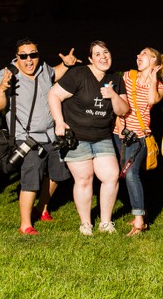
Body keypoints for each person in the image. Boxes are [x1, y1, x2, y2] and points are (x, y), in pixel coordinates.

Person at [0, 39, 79, 235]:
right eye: (23, 56)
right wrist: (2, 88)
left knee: (58, 172)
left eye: (33, 55)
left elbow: (55, 73)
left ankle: (41, 208)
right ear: (17, 57)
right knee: (32, 174)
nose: (29, 60)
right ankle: (26, 224)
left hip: (51, 134)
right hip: (25, 137)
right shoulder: (7, 74)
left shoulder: (44, 69)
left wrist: (66, 64)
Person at [48, 41, 129, 236]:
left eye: (106, 52)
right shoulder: (78, 74)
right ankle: (86, 224)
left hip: (102, 137)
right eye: (98, 54)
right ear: (91, 59)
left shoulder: (115, 79)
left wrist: (113, 96)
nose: (103, 57)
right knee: (84, 179)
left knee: (111, 176)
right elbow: (54, 95)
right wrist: (59, 122)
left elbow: (123, 110)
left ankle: (106, 222)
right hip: (76, 137)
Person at [113, 47, 163, 237]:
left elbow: (152, 99)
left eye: (143, 54)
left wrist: (152, 79)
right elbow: (118, 99)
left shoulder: (159, 86)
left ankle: (139, 221)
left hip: (139, 136)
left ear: (154, 60)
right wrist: (118, 123)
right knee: (122, 173)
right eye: (138, 54)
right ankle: (139, 211)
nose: (138, 56)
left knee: (131, 174)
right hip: (119, 133)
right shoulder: (128, 76)